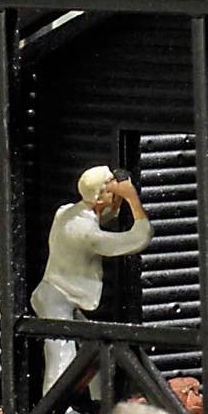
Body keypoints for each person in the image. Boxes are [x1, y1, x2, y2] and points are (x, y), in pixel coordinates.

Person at [32, 163, 151, 386]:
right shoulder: (87, 234)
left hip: (64, 294)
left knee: (93, 351)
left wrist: (114, 200)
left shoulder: (66, 212)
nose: (114, 191)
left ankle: (97, 402)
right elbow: (137, 239)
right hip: (58, 299)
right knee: (61, 356)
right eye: (110, 189)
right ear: (98, 198)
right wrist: (132, 199)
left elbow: (100, 217)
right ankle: (58, 412)